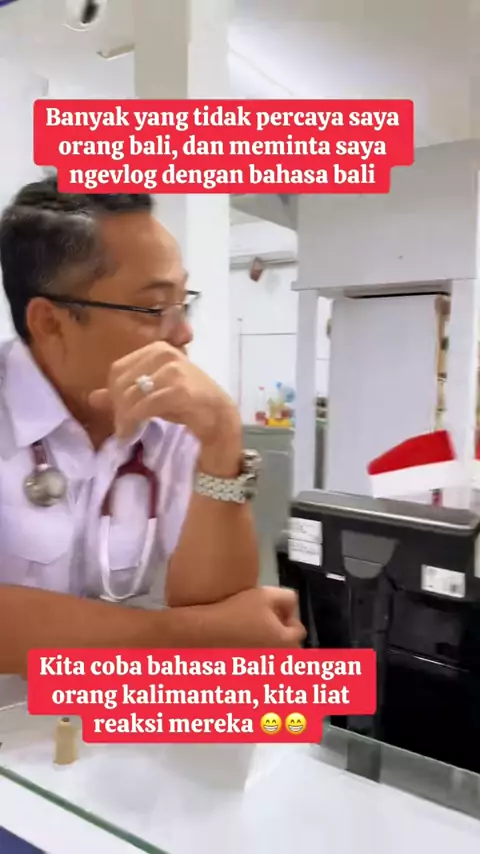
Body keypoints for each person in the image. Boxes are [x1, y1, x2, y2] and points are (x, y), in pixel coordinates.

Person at [0, 177, 304, 677]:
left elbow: (226, 623)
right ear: (50, 322)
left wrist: (222, 442)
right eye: (153, 308)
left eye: (185, 303)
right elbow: (216, 629)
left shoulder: (173, 421)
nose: (183, 332)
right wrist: (185, 634)